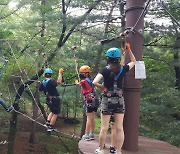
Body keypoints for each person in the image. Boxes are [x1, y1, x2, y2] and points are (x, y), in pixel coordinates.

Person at [93, 43, 136, 154]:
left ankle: (101, 149)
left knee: (104, 127)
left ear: (108, 58)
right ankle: (118, 151)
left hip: (107, 100)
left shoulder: (104, 70)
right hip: (120, 100)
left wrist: (103, 88)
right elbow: (134, 62)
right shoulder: (123, 69)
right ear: (117, 59)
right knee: (119, 127)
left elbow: (94, 82)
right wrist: (129, 50)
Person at [76, 65, 99, 141]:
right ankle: (91, 134)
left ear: (85, 73)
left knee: (89, 118)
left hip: (89, 101)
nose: (81, 74)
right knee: (92, 117)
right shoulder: (92, 80)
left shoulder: (83, 81)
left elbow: (79, 84)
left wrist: (77, 82)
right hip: (95, 100)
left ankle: (87, 134)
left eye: (82, 73)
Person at [39, 68, 64, 132]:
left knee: (52, 111)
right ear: (51, 75)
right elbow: (59, 82)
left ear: (45, 75)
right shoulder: (51, 81)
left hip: (48, 99)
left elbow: (40, 90)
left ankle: (47, 122)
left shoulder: (43, 82)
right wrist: (60, 73)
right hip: (55, 99)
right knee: (55, 113)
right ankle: (51, 126)